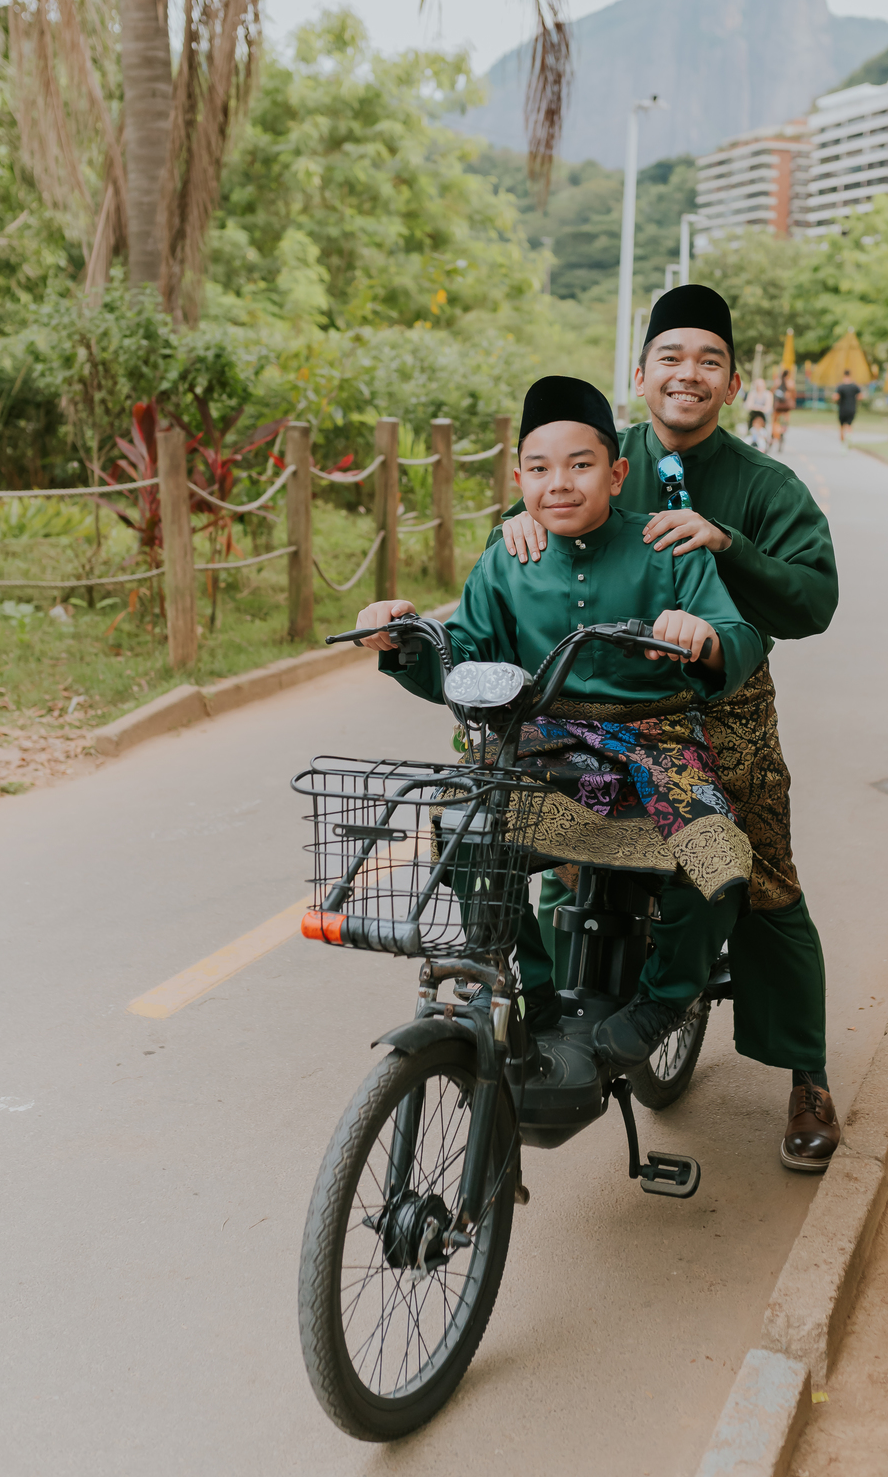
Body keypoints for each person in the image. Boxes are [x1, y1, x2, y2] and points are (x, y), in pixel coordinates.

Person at [494, 285, 842, 1173]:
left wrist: (728, 544)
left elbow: (815, 602)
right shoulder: (602, 455)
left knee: (759, 873)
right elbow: (543, 504)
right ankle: (560, 1007)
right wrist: (519, 524)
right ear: (640, 374)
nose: (689, 375)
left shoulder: (768, 486)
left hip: (722, 709)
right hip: (593, 709)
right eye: (672, 359)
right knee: (551, 841)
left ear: (731, 383)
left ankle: (807, 1072)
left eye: (710, 362)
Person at [355, 375, 765, 1066]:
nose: (561, 483)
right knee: (466, 835)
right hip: (544, 740)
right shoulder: (506, 559)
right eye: (540, 469)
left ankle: (663, 999)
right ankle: (536, 994)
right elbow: (468, 668)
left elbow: (739, 635)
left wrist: (705, 635)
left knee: (718, 860)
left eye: (581, 464)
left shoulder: (667, 545)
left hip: (657, 742)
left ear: (617, 473)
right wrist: (398, 640)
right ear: (520, 478)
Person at [770, 367, 794, 456]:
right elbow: (792, 393)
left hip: (779, 407)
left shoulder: (778, 382)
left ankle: (777, 437)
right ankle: (780, 437)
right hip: (784, 407)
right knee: (783, 424)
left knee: (777, 423)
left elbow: (772, 391)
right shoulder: (789, 382)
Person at [834, 370, 861, 445]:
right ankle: (849, 436)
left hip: (842, 409)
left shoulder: (840, 387)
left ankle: (843, 444)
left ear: (843, 376)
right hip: (852, 408)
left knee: (842, 427)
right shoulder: (855, 386)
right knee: (849, 425)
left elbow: (836, 397)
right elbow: (860, 396)